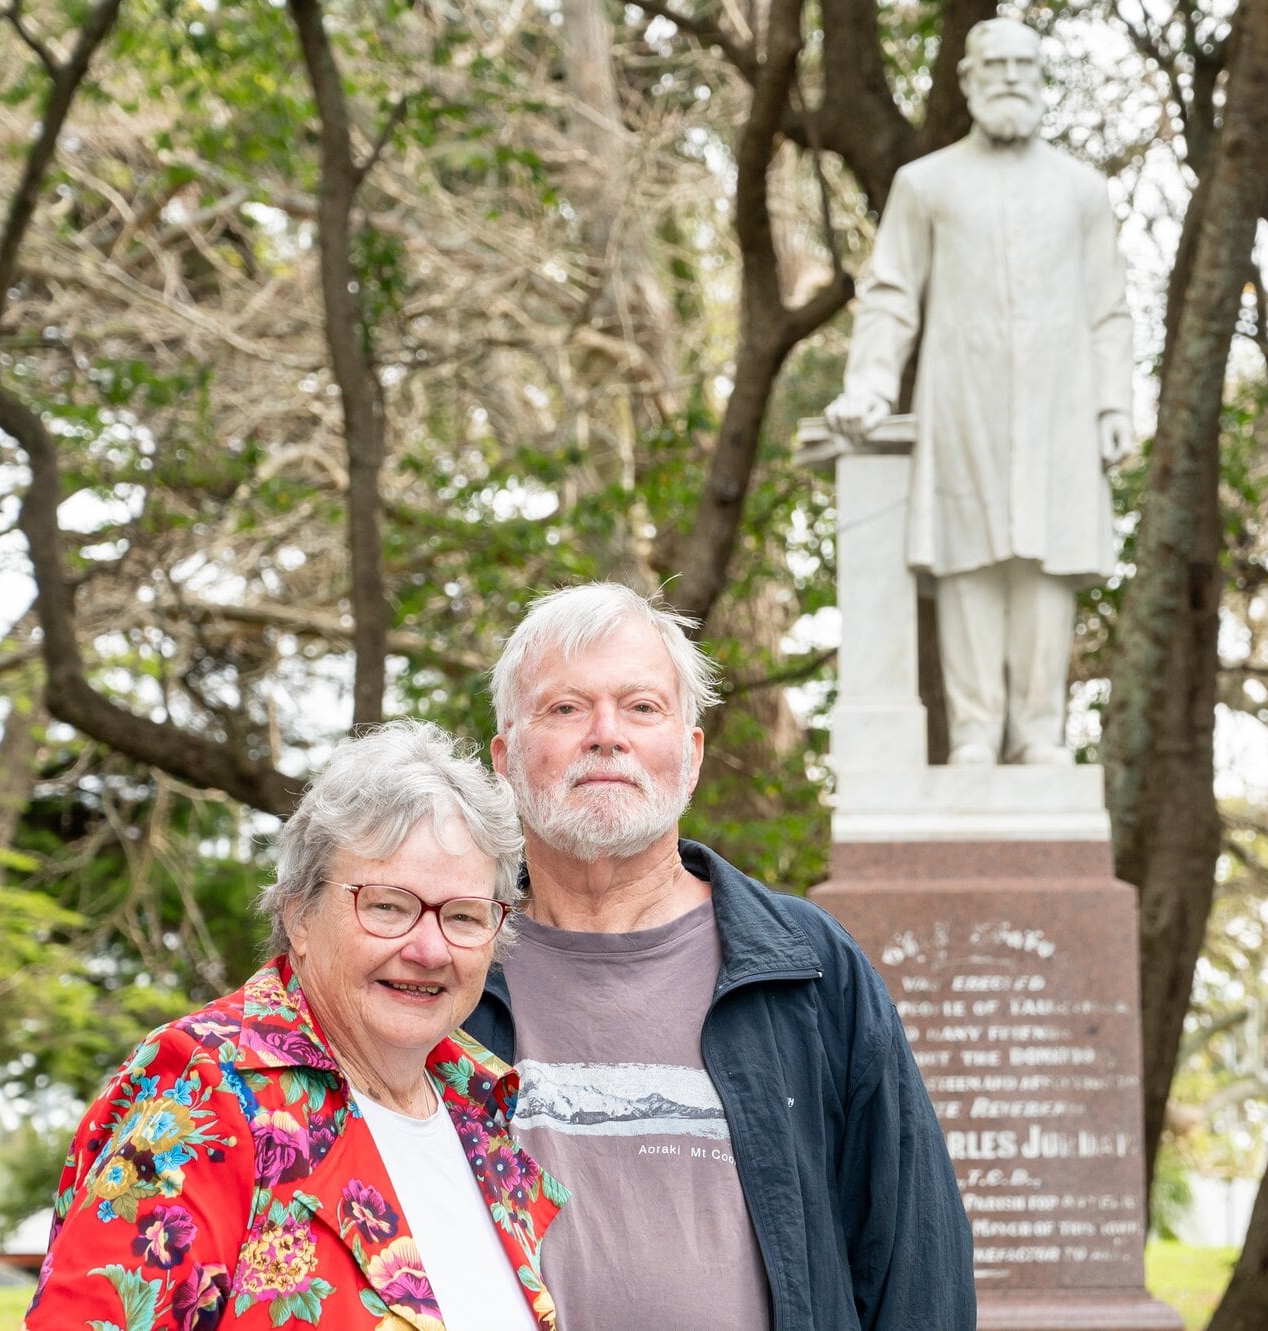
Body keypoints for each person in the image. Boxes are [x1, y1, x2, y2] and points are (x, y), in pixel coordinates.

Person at [466, 583, 973, 1330]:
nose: (607, 734)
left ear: (691, 754)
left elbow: (914, 1262)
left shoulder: (808, 968)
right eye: (566, 708)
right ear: (506, 758)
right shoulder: (448, 966)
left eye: (642, 707)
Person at [28, 721, 562, 1331]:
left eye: (464, 916)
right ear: (299, 915)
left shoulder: (479, 1103)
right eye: (388, 906)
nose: (430, 949)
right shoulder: (206, 1090)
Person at [825, 17, 1134, 766]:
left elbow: (1108, 309)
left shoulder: (1082, 190)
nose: (1007, 76)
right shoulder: (926, 184)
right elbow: (893, 292)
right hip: (960, 399)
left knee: (1045, 561)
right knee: (969, 558)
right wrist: (868, 385)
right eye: (991, 64)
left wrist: (1113, 404)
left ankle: (1038, 731)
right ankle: (971, 730)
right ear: (966, 80)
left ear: (1041, 75)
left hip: (1059, 406)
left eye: (1021, 64)